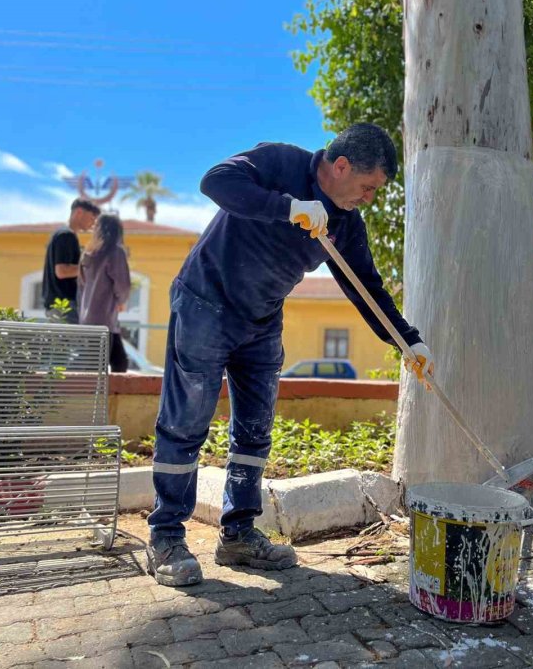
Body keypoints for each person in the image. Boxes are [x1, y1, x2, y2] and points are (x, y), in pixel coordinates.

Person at [147, 123, 434, 586]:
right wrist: (288, 208)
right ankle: (165, 537)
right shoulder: (279, 162)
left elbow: (367, 290)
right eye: (367, 187)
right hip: (206, 304)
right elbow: (215, 181)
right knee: (185, 424)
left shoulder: (345, 224)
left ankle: (238, 533)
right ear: (340, 166)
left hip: (261, 321)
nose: (368, 199)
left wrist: (408, 341)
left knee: (255, 431)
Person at [78, 213, 132, 373]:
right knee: (115, 365)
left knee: (116, 362)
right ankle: (107, 397)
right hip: (105, 319)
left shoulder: (88, 254)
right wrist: (121, 302)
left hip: (89, 319)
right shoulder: (115, 252)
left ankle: (108, 397)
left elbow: (82, 284)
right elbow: (122, 285)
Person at [42, 198, 100, 323]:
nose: (93, 223)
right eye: (92, 217)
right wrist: (90, 267)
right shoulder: (66, 235)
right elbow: (62, 271)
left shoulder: (61, 234)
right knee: (75, 343)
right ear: (79, 212)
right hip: (65, 307)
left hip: (59, 306)